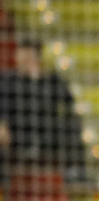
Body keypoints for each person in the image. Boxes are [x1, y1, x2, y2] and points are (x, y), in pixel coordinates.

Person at [0, 38, 86, 182]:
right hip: (15, 134)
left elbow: (68, 107)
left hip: (48, 135)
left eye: (28, 55)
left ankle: (75, 174)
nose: (23, 59)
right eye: (20, 55)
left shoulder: (53, 81)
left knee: (72, 125)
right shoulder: (7, 80)